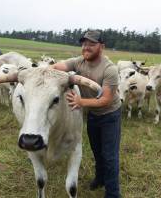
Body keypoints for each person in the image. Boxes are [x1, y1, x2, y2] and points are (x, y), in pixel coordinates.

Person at [50, 30, 122, 198]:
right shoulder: (79, 62)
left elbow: (106, 100)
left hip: (110, 115)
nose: (86, 47)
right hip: (92, 115)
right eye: (84, 44)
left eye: (91, 44)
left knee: (110, 156)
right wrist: (44, 70)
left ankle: (113, 193)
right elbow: (58, 67)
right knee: (97, 151)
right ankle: (100, 178)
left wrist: (81, 102)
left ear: (101, 46)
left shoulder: (109, 69)